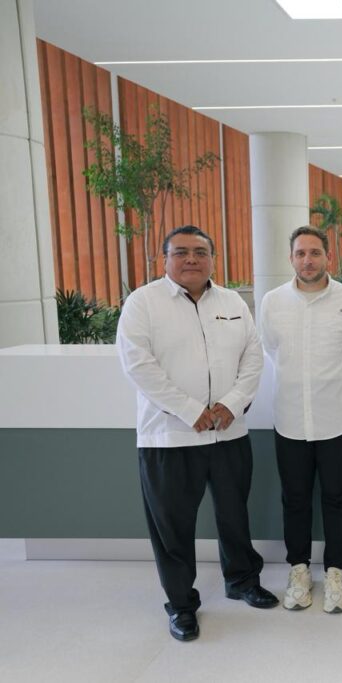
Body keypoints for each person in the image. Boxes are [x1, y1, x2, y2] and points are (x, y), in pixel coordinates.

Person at [116, 225, 277, 643]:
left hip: (228, 432)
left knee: (234, 515)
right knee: (172, 525)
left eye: (200, 252)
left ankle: (242, 580)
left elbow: (253, 357)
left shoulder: (232, 302)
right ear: (164, 259)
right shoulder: (143, 303)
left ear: (212, 259)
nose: (191, 259)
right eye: (181, 252)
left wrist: (231, 403)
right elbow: (138, 365)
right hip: (170, 437)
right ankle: (181, 605)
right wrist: (191, 411)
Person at [259, 226, 342, 613]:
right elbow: (271, 351)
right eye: (301, 253)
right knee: (295, 498)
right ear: (291, 258)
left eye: (315, 253)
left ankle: (335, 572)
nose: (308, 260)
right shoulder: (272, 302)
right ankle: (299, 570)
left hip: (338, 417)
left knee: (338, 498)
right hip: (290, 419)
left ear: (328, 257)